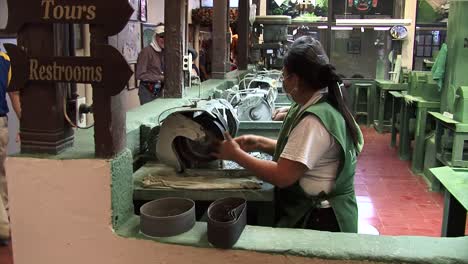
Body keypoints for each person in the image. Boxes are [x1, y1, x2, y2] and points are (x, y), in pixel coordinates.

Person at [213, 36, 364, 233]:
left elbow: (282, 175)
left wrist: (236, 155)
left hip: (320, 221)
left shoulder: (314, 121)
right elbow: (303, 156)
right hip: (325, 212)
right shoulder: (322, 103)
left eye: (284, 75)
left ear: (296, 79)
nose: (282, 81)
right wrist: (257, 142)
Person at [0, 51, 21, 246]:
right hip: (1, 125)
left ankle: (3, 227)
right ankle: (6, 216)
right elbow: (14, 94)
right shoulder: (5, 59)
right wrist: (25, 123)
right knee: (1, 175)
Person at [136, 23, 165, 105]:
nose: (164, 39)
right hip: (147, 92)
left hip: (160, 92)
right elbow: (140, 75)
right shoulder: (146, 52)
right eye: (161, 36)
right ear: (155, 37)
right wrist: (161, 78)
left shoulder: (164, 52)